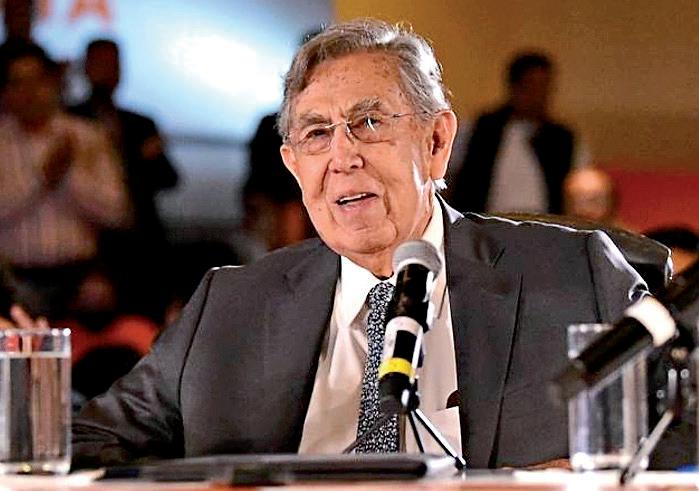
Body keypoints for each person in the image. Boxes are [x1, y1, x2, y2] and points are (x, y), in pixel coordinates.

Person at [72, 19, 645, 470]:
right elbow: (89, 440)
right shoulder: (231, 305)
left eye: (370, 123)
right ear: (293, 165)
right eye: (317, 134)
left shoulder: (574, 277)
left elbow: (679, 425)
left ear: (437, 142)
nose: (343, 158)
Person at [0, 41, 130, 318]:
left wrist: (70, 176)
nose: (30, 92)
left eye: (38, 80)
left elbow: (117, 212)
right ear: (5, 92)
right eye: (18, 83)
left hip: (80, 281)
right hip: (14, 280)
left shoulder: (87, 135)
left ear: (53, 82)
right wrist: (42, 179)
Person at [69, 38, 179, 321]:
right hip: (88, 246)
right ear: (86, 67)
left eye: (114, 64)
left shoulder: (141, 123)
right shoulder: (70, 120)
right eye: (100, 63)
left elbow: (170, 178)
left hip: (142, 245)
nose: (108, 71)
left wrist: (148, 158)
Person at [449, 51, 588, 214]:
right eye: (531, 87)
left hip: (546, 224)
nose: (538, 95)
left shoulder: (563, 139)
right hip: (485, 222)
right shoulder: (480, 130)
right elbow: (452, 177)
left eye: (544, 87)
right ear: (514, 87)